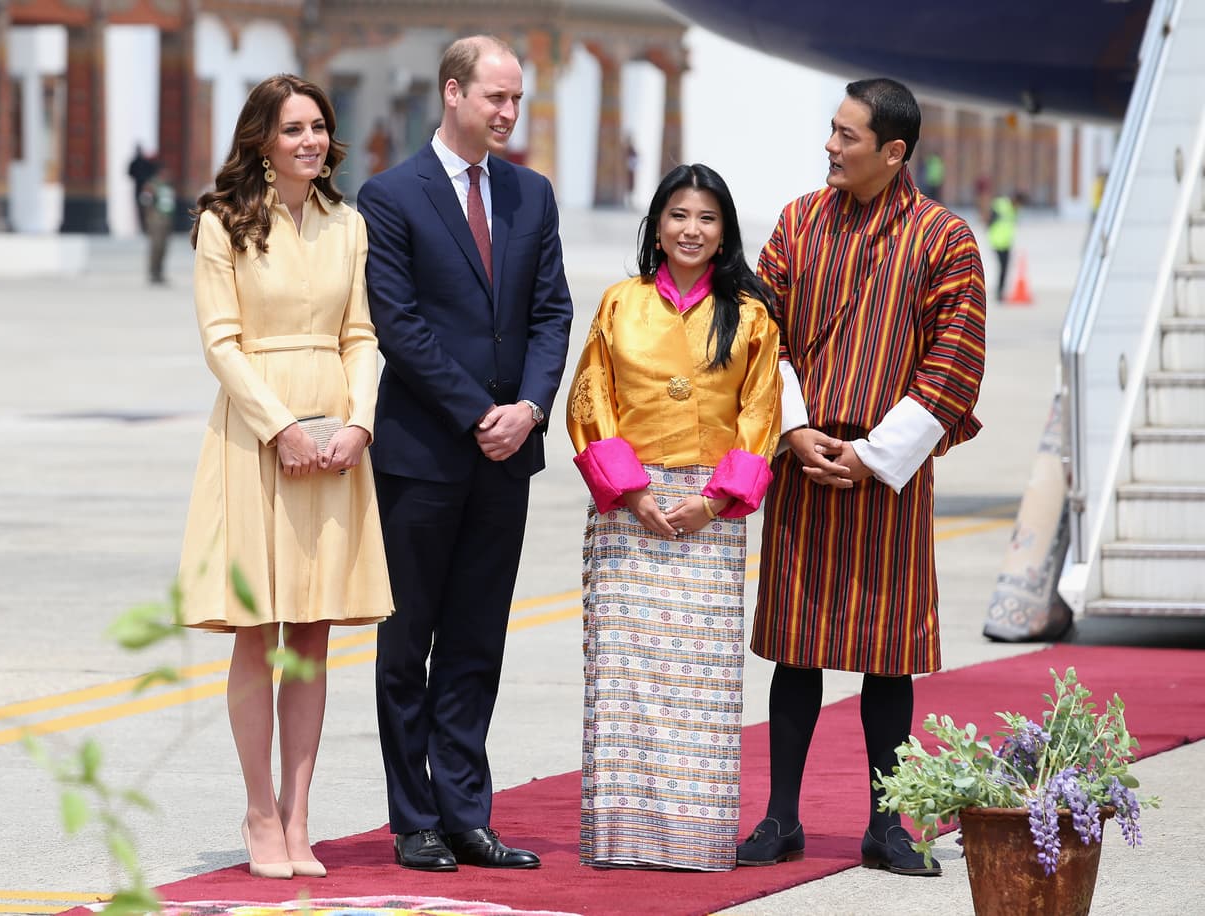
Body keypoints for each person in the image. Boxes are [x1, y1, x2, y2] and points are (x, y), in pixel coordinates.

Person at [737, 78, 986, 876]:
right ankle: (780, 818)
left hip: (890, 472)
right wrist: (795, 428)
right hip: (805, 460)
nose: (830, 147)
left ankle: (888, 823)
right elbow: (759, 331)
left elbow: (956, 360)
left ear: (894, 152)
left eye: (847, 136)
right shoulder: (799, 222)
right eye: (831, 131)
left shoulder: (945, 239)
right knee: (794, 648)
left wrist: (877, 454)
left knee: (889, 654)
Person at [356, 35, 573, 873]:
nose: (509, 114)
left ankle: (467, 814)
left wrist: (527, 409)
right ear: (453, 93)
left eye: (517, 100)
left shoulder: (530, 194)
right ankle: (413, 818)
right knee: (408, 643)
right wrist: (479, 410)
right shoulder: (390, 195)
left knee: (479, 642)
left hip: (506, 455)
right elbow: (397, 323)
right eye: (496, 98)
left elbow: (551, 313)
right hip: (421, 456)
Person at [178, 74, 394, 881]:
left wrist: (359, 423)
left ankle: (302, 816)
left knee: (311, 632)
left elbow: (361, 334)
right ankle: (258, 810)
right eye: (293, 128)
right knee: (257, 630)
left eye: (318, 127)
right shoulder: (221, 223)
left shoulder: (349, 223)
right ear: (262, 138)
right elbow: (221, 342)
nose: (309, 140)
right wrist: (283, 429)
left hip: (336, 441)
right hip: (255, 438)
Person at [566, 163, 782, 871]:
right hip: (630, 511)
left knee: (703, 681)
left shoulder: (750, 316)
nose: (692, 230)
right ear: (656, 225)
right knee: (626, 677)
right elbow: (591, 397)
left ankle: (695, 838)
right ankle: (623, 838)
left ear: (725, 234)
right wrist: (632, 492)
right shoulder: (619, 304)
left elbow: (761, 414)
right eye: (679, 215)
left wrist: (713, 501)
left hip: (708, 516)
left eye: (707, 218)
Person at [138, 160, 176, 284]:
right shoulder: (152, 185)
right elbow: (145, 201)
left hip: (166, 219)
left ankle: (160, 272)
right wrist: (149, 218)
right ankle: (153, 272)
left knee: (164, 247)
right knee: (156, 246)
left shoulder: (168, 185)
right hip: (156, 220)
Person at [988, 191, 1027, 302]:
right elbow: (990, 218)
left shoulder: (1014, 211)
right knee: (1002, 267)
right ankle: (999, 292)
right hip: (996, 241)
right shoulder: (1001, 204)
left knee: (1004, 268)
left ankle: (1000, 292)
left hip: (1006, 243)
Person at [127, 144, 156, 232]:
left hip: (145, 188)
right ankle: (145, 227)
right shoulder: (137, 162)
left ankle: (146, 226)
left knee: (145, 207)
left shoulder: (140, 162)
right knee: (143, 208)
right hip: (142, 188)